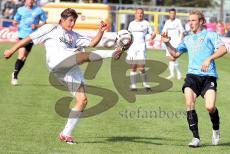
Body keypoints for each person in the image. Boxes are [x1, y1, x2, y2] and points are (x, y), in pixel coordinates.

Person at [4, 8, 125, 144]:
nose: (72, 23)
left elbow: (92, 43)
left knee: (82, 100)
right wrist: (11, 50)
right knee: (82, 55)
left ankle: (65, 134)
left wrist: (100, 32)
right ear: (62, 19)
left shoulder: (74, 35)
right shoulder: (51, 28)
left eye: (74, 21)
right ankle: (113, 53)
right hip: (56, 62)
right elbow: (28, 39)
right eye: (70, 20)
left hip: (70, 68)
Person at [161, 10, 227, 147]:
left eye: (193, 20)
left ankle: (216, 129)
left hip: (208, 77)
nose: (190, 23)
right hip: (192, 77)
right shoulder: (187, 39)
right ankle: (195, 138)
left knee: (210, 107)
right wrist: (167, 43)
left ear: (201, 21)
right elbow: (174, 55)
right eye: (189, 20)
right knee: (190, 103)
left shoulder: (210, 35)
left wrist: (209, 58)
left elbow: (223, 49)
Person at [11, 0, 47, 85]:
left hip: (32, 37)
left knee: (24, 58)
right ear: (26, 1)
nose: (30, 1)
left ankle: (15, 73)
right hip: (22, 35)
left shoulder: (39, 10)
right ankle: (15, 76)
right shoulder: (20, 10)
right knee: (21, 55)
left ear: (34, 1)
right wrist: (15, 22)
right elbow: (15, 20)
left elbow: (45, 22)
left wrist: (37, 25)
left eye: (31, 0)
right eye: (28, 0)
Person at [127, 8, 156, 91]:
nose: (140, 15)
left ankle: (145, 84)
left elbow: (152, 33)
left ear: (143, 14)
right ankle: (133, 86)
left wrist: (152, 37)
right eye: (138, 13)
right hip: (132, 47)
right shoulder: (131, 24)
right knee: (133, 67)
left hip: (141, 47)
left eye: (141, 13)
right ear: (135, 14)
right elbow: (128, 35)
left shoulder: (146, 23)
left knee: (142, 67)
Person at [162, 8, 184, 80]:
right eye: (171, 13)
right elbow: (164, 31)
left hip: (176, 42)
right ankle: (178, 73)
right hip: (169, 42)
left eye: (174, 13)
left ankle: (173, 74)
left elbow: (182, 31)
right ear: (169, 14)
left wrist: (180, 41)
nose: (172, 15)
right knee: (170, 58)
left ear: (175, 14)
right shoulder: (167, 22)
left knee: (173, 58)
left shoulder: (178, 21)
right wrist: (164, 37)